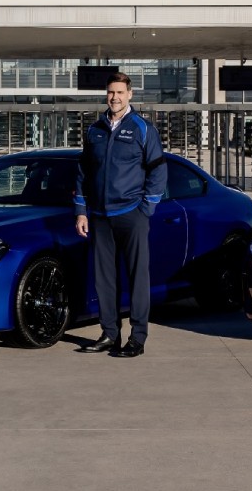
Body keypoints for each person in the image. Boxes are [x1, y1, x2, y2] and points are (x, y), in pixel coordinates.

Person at [74, 72, 167, 358]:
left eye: (120, 92)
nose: (114, 97)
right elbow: (83, 172)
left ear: (130, 95)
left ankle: (137, 338)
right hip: (100, 216)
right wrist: (81, 211)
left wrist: (146, 208)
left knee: (137, 278)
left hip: (131, 214)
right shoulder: (95, 130)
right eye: (110, 92)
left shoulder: (142, 128)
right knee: (104, 279)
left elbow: (158, 171)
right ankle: (109, 334)